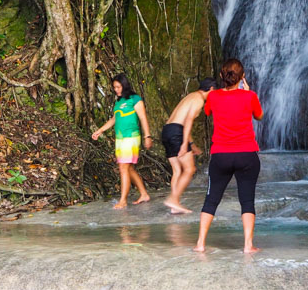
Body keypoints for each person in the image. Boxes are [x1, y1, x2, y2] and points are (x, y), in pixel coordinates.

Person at [194, 58, 263, 254]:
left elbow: (207, 112)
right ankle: (248, 245)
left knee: (211, 199)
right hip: (247, 155)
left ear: (222, 76)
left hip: (221, 155)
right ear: (242, 77)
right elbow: (259, 116)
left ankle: (200, 244)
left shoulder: (213, 96)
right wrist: (247, 91)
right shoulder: (250, 96)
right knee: (247, 200)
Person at [91, 73, 153, 209]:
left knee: (123, 167)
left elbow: (143, 118)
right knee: (128, 168)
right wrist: (100, 130)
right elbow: (114, 118)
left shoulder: (135, 99)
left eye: (118, 87)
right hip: (120, 139)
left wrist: (147, 136)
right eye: (114, 87)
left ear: (124, 85)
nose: (116, 90)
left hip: (131, 137)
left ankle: (123, 201)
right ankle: (144, 194)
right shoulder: (118, 102)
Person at [161, 78, 216, 214]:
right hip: (176, 133)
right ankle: (173, 200)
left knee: (177, 171)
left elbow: (183, 122)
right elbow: (188, 121)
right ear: (211, 89)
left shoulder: (191, 96)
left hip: (167, 131)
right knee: (190, 169)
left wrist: (191, 144)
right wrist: (184, 144)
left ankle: (174, 206)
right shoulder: (199, 99)